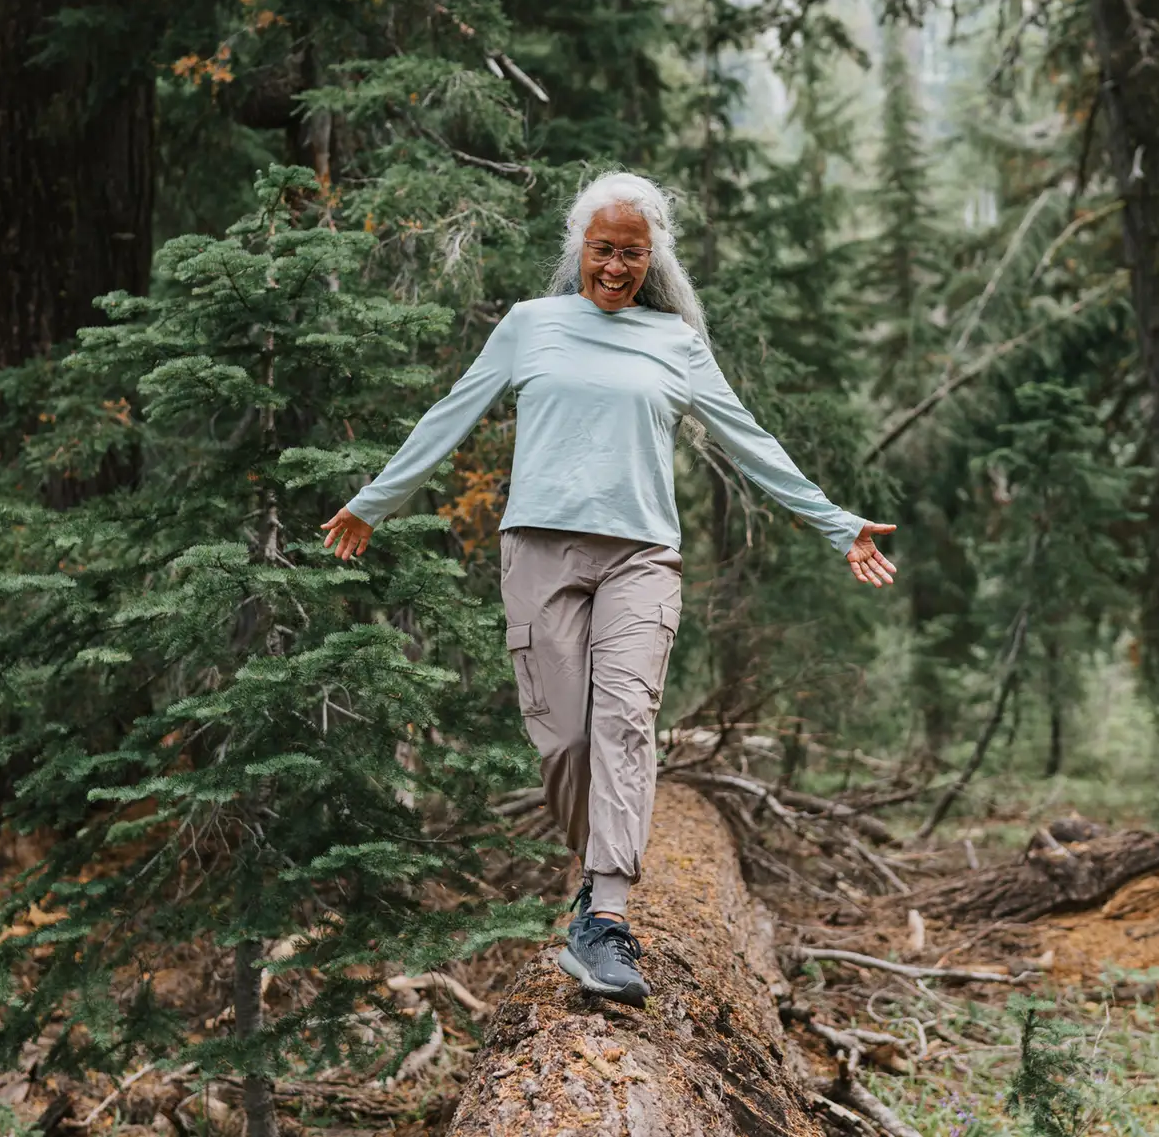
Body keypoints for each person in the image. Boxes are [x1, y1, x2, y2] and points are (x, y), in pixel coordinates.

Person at [320, 171, 895, 1006]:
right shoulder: (531, 327)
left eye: (631, 252)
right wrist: (374, 500)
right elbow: (451, 411)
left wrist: (839, 523)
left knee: (624, 720)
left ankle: (606, 919)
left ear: (651, 255)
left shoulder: (676, 343)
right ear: (578, 249)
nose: (616, 267)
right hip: (541, 550)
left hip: (641, 558)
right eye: (602, 250)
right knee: (566, 741)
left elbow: (751, 442)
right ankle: (595, 882)